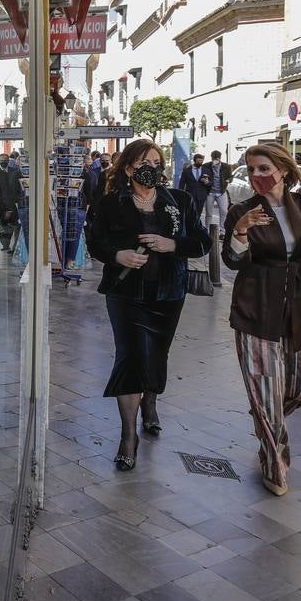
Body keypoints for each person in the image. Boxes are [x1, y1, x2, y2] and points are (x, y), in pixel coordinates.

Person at [222, 142, 301, 497]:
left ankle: (266, 420)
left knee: (299, 388)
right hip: (256, 308)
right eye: (251, 169)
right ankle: (276, 465)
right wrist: (241, 230)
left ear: (284, 170)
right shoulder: (242, 211)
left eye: (263, 168)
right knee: (264, 391)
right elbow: (232, 260)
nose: (257, 176)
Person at [87, 139, 210, 472]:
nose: (151, 168)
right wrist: (117, 255)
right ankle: (128, 436)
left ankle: (150, 403)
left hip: (168, 293)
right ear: (128, 168)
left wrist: (171, 244)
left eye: (157, 162)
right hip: (126, 293)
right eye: (144, 162)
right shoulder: (110, 203)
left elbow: (202, 241)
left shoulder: (180, 200)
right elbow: (95, 241)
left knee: (156, 353)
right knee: (130, 356)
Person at [204, 150, 234, 228]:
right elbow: (202, 175)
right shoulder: (206, 166)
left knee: (224, 211)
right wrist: (204, 180)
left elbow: (230, 176)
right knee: (209, 213)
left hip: (221, 192)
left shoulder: (225, 166)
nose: (215, 160)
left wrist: (229, 180)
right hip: (209, 192)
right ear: (211, 158)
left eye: (217, 159)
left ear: (220, 158)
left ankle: (222, 231)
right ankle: (207, 230)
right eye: (214, 159)